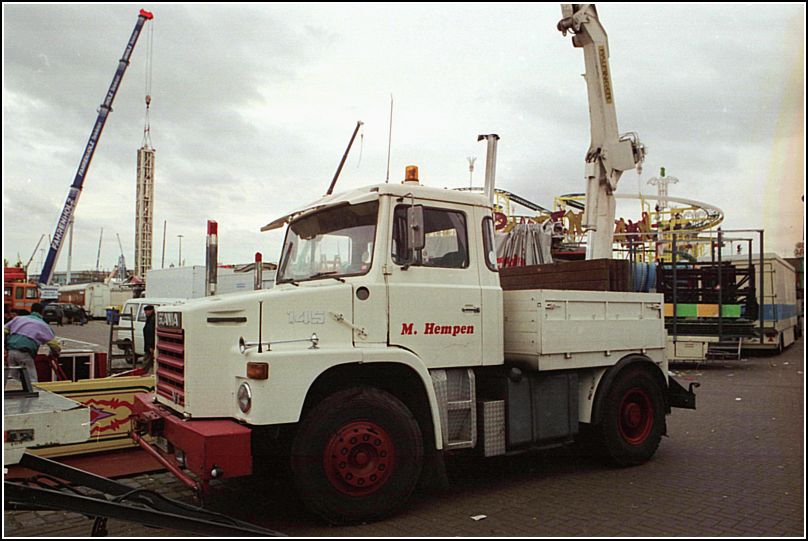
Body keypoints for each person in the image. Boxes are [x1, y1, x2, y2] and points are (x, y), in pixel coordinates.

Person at [4, 303, 61, 389]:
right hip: (25, 354)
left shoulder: (18, 319)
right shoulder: (43, 325)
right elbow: (54, 344)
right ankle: (33, 394)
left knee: (14, 379)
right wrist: (55, 354)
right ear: (42, 312)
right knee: (32, 380)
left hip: (11, 352)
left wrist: (5, 345)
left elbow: (4, 330)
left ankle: (16, 394)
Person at [141, 305, 156, 374]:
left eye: (147, 311)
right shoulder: (150, 319)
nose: (145, 313)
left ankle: (142, 374)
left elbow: (151, 333)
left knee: (146, 361)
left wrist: (150, 346)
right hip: (149, 345)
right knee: (151, 361)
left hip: (150, 346)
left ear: (151, 310)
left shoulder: (152, 319)